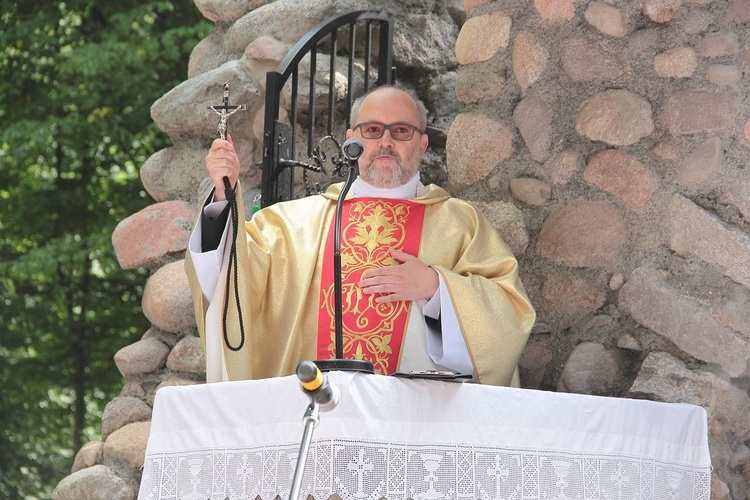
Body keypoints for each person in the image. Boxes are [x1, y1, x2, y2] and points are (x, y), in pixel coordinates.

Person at [185, 85, 536, 386]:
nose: (385, 142)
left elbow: (509, 315)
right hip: (319, 415)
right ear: (351, 141)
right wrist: (222, 195)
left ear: (423, 144)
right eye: (372, 130)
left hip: (417, 423)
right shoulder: (294, 226)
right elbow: (234, 278)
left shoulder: (460, 224)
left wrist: (435, 288)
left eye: (401, 131)